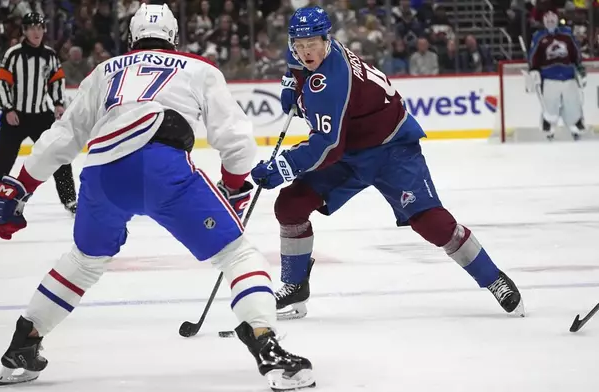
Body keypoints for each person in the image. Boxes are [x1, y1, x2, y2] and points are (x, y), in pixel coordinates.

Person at [0, 5, 315, 391]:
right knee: (237, 254)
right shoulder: (198, 68)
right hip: (162, 166)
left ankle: (23, 345)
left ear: (130, 39)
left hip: (102, 171)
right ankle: (267, 347)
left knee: (84, 261)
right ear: (175, 39)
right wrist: (232, 183)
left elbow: (66, 134)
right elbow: (236, 138)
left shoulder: (105, 71)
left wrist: (20, 183)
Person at [251, 6, 525, 321]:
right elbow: (294, 64)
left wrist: (282, 167)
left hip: (391, 150)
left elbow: (327, 145)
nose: (304, 51)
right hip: (352, 148)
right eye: (299, 44)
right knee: (290, 206)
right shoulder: (307, 50)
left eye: (311, 43)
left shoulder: (331, 81)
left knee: (433, 224)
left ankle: (493, 278)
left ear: (327, 39)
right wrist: (290, 83)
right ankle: (295, 286)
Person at [0, 12, 77, 220]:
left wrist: (58, 104)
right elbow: (1, 82)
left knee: (58, 155)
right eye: (32, 27)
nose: (36, 31)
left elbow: (56, 81)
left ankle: (70, 200)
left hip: (41, 116)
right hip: (15, 116)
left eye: (40, 27)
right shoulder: (13, 54)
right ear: (25, 31)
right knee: (3, 160)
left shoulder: (50, 55)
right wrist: (8, 109)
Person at [527, 11, 585, 141]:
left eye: (553, 20)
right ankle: (549, 127)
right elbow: (533, 55)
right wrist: (533, 69)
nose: (550, 22)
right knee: (550, 105)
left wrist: (580, 67)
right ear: (544, 22)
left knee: (573, 103)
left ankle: (575, 124)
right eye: (548, 21)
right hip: (549, 77)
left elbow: (576, 52)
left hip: (568, 75)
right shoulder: (539, 36)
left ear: (557, 20)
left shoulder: (567, 34)